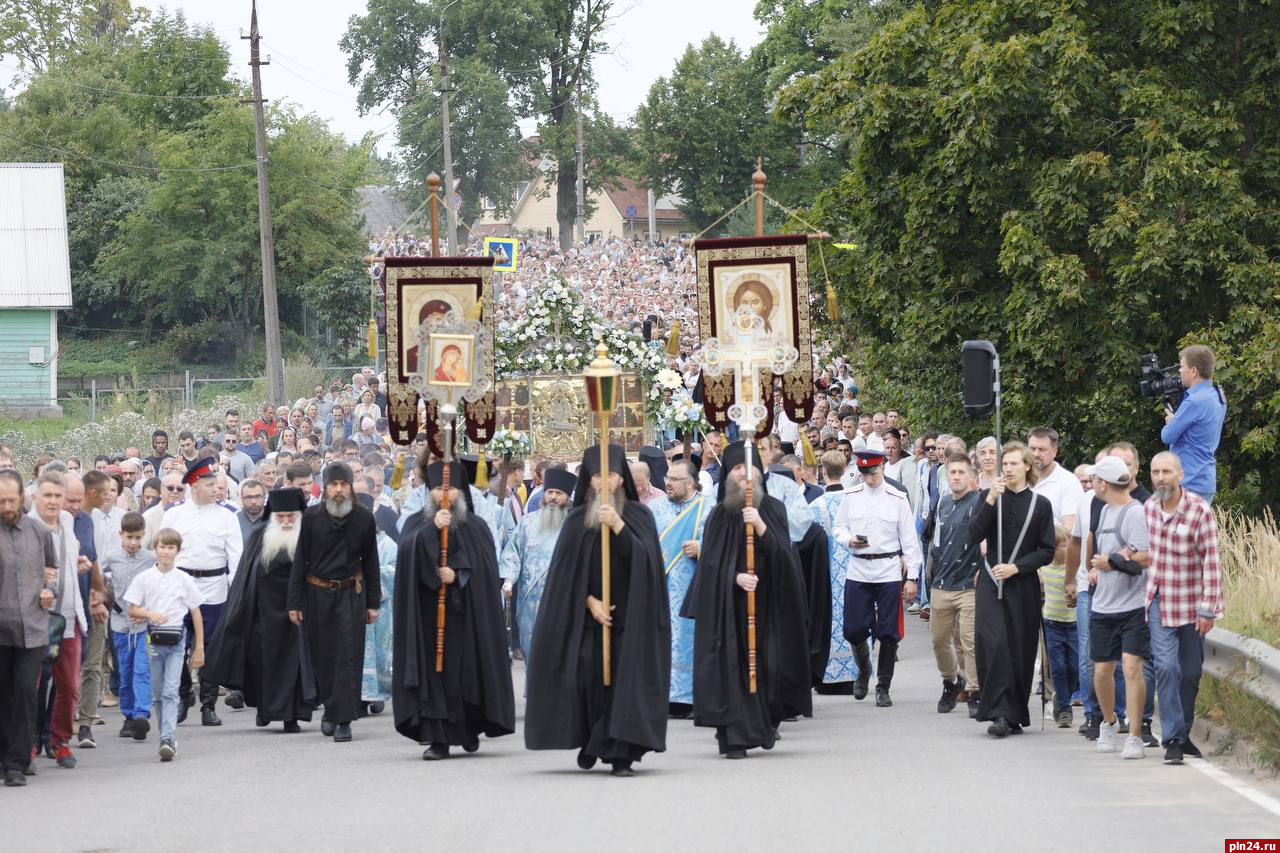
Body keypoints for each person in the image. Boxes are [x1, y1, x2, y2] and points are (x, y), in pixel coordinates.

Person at [525, 445, 670, 777]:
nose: (606, 482)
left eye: (614, 475)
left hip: (631, 618)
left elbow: (645, 565)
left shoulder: (639, 516)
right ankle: (592, 739)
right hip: (588, 617)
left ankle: (620, 753)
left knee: (623, 683)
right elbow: (564, 578)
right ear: (589, 480)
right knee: (588, 679)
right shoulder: (576, 519)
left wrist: (618, 525)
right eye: (599, 476)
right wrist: (589, 602)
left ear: (622, 480)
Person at [682, 440, 810, 757]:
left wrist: (761, 526)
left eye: (750, 468)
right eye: (738, 468)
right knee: (732, 670)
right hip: (729, 609)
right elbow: (710, 566)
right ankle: (735, 738)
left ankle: (765, 726)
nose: (744, 474)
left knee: (768, 666)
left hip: (768, 606)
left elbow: (786, 559)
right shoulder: (719, 516)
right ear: (729, 475)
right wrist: (735, 577)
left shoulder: (775, 510)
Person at [392, 458, 515, 760]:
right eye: (437, 489)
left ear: (462, 491)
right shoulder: (415, 524)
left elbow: (486, 572)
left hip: (465, 619)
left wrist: (458, 574)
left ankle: (468, 729)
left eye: (451, 489)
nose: (444, 495)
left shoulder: (477, 527)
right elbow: (407, 556)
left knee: (467, 677)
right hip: (427, 617)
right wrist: (430, 533)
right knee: (434, 674)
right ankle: (439, 739)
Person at [203, 489, 315, 734]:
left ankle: (291, 717)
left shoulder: (309, 537)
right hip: (264, 615)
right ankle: (266, 710)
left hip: (298, 613)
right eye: (281, 517)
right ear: (273, 516)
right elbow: (246, 579)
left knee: (295, 667)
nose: (286, 522)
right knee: (263, 664)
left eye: (291, 517)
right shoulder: (258, 536)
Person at [287, 463, 380, 743]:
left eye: (343, 484)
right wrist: (295, 601)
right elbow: (301, 561)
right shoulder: (313, 518)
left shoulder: (364, 518)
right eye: (333, 485)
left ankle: (344, 719)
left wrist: (372, 602)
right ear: (325, 488)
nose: (339, 490)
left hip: (352, 593)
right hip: (318, 595)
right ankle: (330, 707)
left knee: (348, 655)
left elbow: (371, 562)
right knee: (324, 655)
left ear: (350, 487)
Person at [970, 442, 1056, 737]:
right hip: (992, 583)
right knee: (993, 644)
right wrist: (991, 499)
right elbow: (974, 534)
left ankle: (1015, 712)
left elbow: (1047, 550)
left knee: (1019, 647)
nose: (1007, 469)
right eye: (1004, 464)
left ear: (1027, 467)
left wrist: (1017, 567)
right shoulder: (989, 496)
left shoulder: (1041, 504)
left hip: (1022, 586)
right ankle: (998, 712)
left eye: (1014, 464)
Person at [1144, 451, 1222, 764]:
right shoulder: (1149, 508)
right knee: (1166, 667)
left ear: (1180, 475)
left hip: (1192, 603)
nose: (1160, 478)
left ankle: (1183, 731)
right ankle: (1174, 740)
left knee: (1189, 673)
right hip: (1160, 600)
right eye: (1155, 472)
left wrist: (1208, 609)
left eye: (1166, 472)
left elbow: (1212, 562)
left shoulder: (1199, 511)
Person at [831, 449, 922, 706]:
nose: (869, 479)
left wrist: (912, 576)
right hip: (859, 568)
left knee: (889, 632)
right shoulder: (851, 496)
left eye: (873, 473)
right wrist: (849, 539)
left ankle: (884, 686)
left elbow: (909, 539)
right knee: (853, 628)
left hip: (888, 568)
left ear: (882, 468)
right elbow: (838, 527)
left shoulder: (896, 497)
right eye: (864, 474)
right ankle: (863, 669)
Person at [162, 456, 243, 726]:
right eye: (210, 484)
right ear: (195, 485)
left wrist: (235, 593)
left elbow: (236, 557)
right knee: (176, 643)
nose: (215, 490)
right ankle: (184, 694)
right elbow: (164, 554)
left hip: (214, 589)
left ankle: (208, 704)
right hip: (181, 588)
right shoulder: (173, 515)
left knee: (209, 647)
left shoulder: (226, 517)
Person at [1087, 455, 1151, 760]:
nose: (1093, 485)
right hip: (1103, 604)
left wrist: (1110, 562)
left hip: (1133, 605)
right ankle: (1109, 722)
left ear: (1104, 483)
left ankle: (1135, 735)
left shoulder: (1136, 513)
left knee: (1131, 667)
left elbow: (1146, 557)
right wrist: (1098, 568)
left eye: (1095, 480)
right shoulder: (1103, 510)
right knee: (1101, 671)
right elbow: (1104, 551)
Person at [124, 528, 204, 762]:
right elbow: (132, 608)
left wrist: (199, 647)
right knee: (158, 694)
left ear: (178, 551)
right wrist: (150, 614)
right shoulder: (145, 578)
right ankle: (164, 734)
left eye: (171, 548)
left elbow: (196, 611)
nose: (166, 552)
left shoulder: (183, 579)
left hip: (177, 640)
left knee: (171, 690)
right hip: (154, 641)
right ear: (155, 549)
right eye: (162, 547)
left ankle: (168, 737)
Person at [0, 471, 58, 786]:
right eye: (1, 501)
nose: (7, 506)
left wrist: (50, 589)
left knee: (24, 691)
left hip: (34, 627)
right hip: (1, 628)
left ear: (22, 496)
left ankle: (17, 763)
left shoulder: (39, 532)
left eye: (11, 499)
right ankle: (3, 756)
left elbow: (52, 570)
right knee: (3, 694)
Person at [29, 471, 87, 768]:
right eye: (48, 495)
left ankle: (60, 741)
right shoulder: (27, 526)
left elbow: (64, 559)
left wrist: (78, 562)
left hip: (68, 615)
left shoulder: (66, 521)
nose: (54, 501)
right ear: (35, 496)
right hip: (34, 618)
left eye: (58, 496)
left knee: (70, 684)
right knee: (32, 684)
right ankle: (27, 746)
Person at [650, 458, 712, 717]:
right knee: (661, 641)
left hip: (694, 590)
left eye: (674, 479)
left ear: (689, 482)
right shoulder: (654, 509)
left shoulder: (707, 508)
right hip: (659, 590)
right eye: (667, 478)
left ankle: (692, 698)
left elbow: (726, 544)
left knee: (691, 641)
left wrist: (703, 548)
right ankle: (663, 697)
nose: (668, 483)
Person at [924, 455, 984, 716]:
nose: (957, 476)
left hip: (969, 582)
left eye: (962, 472)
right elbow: (936, 540)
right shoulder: (943, 503)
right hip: (942, 582)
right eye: (952, 472)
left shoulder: (980, 502)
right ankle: (951, 680)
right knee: (938, 640)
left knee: (969, 641)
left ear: (973, 477)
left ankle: (974, 691)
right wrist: (930, 570)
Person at [500, 468, 575, 670]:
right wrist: (508, 579)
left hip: (564, 597)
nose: (552, 497)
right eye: (549, 492)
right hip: (529, 601)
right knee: (532, 650)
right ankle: (534, 696)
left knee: (561, 651)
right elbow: (513, 553)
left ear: (568, 497)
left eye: (558, 493)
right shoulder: (527, 523)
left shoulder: (576, 524)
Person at [102, 512, 155, 741]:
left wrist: (150, 611)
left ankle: (141, 714)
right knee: (125, 670)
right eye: (129, 537)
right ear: (121, 534)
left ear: (143, 536)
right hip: (120, 623)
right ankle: (128, 716)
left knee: (141, 668)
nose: (133, 543)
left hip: (142, 625)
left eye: (138, 538)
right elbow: (99, 578)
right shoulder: (111, 557)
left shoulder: (150, 559)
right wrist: (105, 597)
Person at [810, 450, 858, 694]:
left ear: (823, 471)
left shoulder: (816, 505)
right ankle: (858, 673)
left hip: (827, 571)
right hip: (856, 569)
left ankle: (829, 676)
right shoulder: (855, 500)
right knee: (857, 618)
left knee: (829, 620)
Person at [1160, 345, 1227, 504]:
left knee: (1179, 529)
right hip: (1205, 479)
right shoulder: (1218, 396)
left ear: (1193, 371)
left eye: (1182, 367)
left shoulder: (1194, 401)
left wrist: (1171, 422)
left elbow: (1167, 436)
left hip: (1188, 481)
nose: (1180, 371)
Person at [1040, 524, 1077, 728]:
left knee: (1074, 667)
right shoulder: (1044, 567)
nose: (1065, 549)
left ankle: (1061, 696)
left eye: (1067, 544)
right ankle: (1064, 708)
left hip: (1074, 624)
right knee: (1058, 667)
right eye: (1061, 546)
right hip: (1052, 623)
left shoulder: (1074, 568)